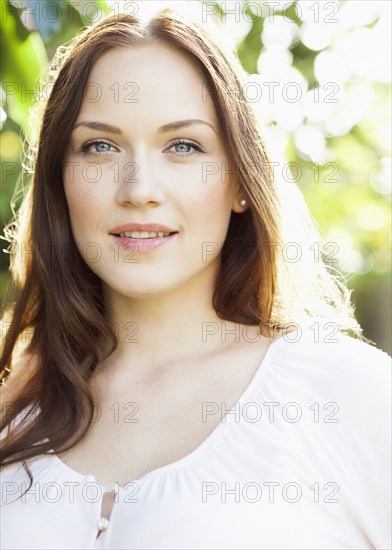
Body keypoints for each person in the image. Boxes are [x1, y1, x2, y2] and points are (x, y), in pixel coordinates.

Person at [0, 6, 390, 550]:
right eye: (99, 146)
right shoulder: (13, 407)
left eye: (183, 146)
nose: (139, 188)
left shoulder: (348, 394)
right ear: (59, 183)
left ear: (240, 182)